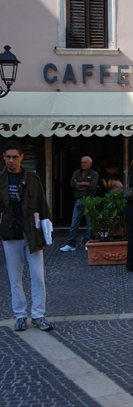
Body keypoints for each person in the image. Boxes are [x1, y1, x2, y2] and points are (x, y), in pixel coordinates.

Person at [0, 141, 53, 332]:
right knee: (14, 276)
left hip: (32, 232)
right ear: (4, 157)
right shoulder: (1, 179)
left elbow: (43, 207)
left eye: (15, 157)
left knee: (37, 275)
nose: (11, 161)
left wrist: (47, 235)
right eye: (8, 157)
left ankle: (38, 314)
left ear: (22, 157)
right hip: (10, 232)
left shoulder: (32, 179)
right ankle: (20, 315)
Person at [60, 156, 98, 252]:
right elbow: (72, 184)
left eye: (85, 163)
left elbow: (92, 187)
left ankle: (88, 243)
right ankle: (71, 244)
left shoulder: (94, 174)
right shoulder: (76, 172)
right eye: (82, 162)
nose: (83, 164)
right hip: (79, 200)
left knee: (90, 224)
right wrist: (85, 183)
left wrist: (79, 185)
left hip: (90, 200)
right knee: (74, 223)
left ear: (90, 164)